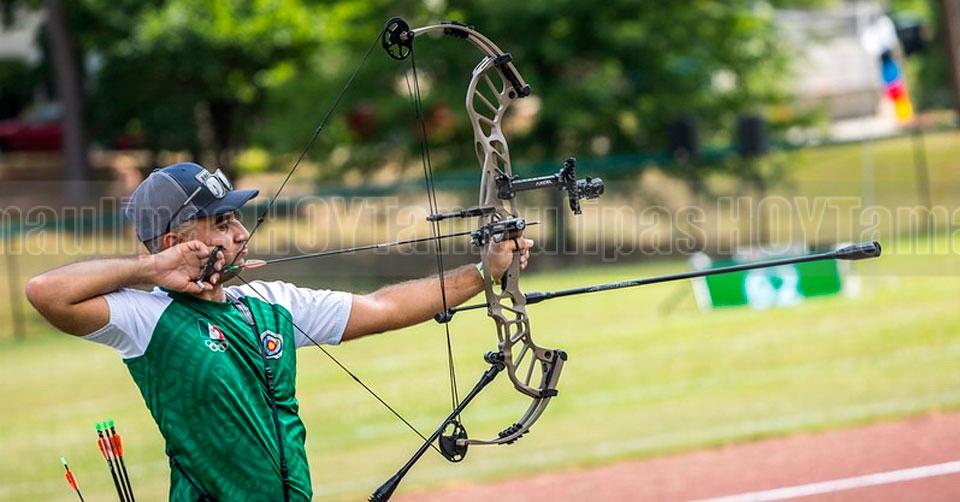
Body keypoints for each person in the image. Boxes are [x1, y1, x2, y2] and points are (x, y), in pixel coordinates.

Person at [25, 162, 532, 501]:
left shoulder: (270, 304)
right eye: (222, 222)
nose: (241, 233)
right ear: (175, 241)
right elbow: (46, 291)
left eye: (237, 219)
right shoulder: (146, 318)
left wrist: (483, 271)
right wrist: (150, 270)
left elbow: (382, 307)